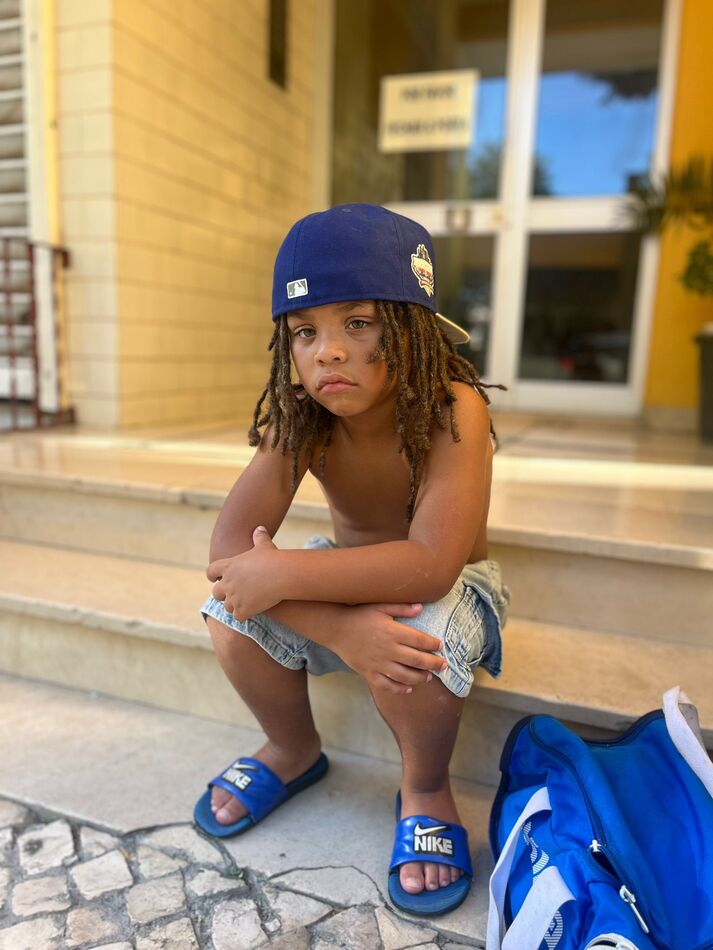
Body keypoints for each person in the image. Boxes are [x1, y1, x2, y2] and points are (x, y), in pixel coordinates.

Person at [194, 203, 510, 917]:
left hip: (449, 584)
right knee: (226, 609)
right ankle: (291, 748)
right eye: (305, 331)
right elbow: (227, 556)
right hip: (342, 574)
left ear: (413, 328)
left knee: (415, 640)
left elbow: (431, 563)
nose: (327, 352)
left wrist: (289, 579)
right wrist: (340, 630)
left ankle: (424, 787)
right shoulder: (299, 416)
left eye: (358, 323)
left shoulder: (453, 405)